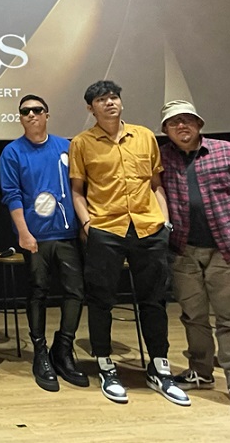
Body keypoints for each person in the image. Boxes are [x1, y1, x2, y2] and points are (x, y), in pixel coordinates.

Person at [68, 80, 189, 406]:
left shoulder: (145, 136)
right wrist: (89, 225)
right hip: (105, 228)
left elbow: (156, 183)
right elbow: (77, 191)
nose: (110, 103)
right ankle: (106, 365)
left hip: (148, 227)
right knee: (100, 300)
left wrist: (164, 220)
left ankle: (159, 368)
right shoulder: (81, 143)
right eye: (102, 100)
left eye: (114, 97)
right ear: (90, 108)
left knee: (154, 300)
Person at [159, 100, 230, 417]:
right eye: (174, 122)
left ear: (199, 124)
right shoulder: (161, 157)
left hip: (226, 250)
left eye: (187, 119)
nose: (182, 126)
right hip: (184, 251)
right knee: (193, 317)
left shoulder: (227, 151)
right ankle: (200, 372)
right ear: (165, 130)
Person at [0, 94, 89, 392]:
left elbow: (80, 188)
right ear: (20, 118)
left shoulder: (67, 146)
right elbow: (12, 195)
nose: (31, 115)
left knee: (75, 291)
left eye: (37, 110)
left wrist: (84, 224)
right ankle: (40, 352)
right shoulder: (12, 152)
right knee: (38, 291)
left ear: (47, 115)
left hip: (68, 234)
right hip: (35, 237)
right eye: (25, 111)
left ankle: (63, 349)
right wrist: (23, 233)